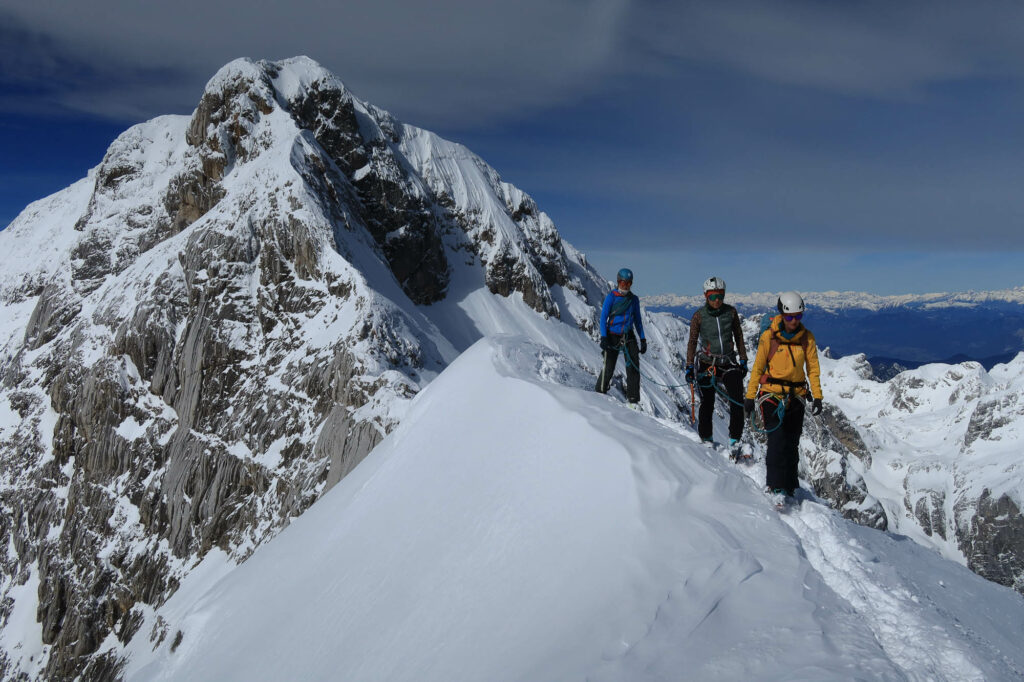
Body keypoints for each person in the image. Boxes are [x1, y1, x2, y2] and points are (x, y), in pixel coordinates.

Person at [743, 291, 823, 501]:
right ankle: (775, 486)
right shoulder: (768, 337)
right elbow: (758, 368)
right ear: (782, 314)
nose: (794, 321)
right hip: (770, 394)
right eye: (790, 317)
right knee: (777, 440)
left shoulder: (807, 338)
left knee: (791, 442)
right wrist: (750, 396)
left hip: (796, 395)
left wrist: (818, 396)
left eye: (798, 316)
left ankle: (789, 486)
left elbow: (813, 369)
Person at [685, 276, 748, 456]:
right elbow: (692, 341)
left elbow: (739, 336)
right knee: (707, 402)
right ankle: (706, 437)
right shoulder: (699, 316)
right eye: (713, 296)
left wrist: (743, 359)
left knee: (737, 400)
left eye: (720, 295)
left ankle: (735, 439)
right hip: (707, 363)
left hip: (728, 362)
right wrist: (689, 366)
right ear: (706, 296)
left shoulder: (731, 313)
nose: (717, 300)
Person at [595, 268, 647, 406]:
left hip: (628, 334)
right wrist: (604, 337)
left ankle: (633, 400)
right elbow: (603, 318)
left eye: (629, 283)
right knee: (609, 366)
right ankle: (599, 393)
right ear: (619, 282)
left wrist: (642, 339)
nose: (626, 286)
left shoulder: (633, 299)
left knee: (633, 367)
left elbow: (637, 320)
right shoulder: (611, 297)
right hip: (612, 334)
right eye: (624, 283)